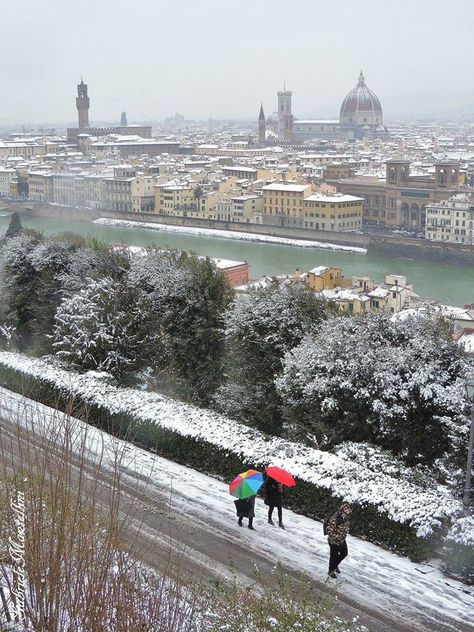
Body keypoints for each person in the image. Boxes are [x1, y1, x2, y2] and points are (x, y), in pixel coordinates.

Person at [326, 502, 352, 578]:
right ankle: (331, 571)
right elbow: (329, 530)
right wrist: (336, 537)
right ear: (342, 511)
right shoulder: (335, 518)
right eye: (345, 513)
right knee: (334, 556)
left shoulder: (345, 518)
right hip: (334, 541)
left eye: (347, 514)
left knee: (344, 553)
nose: (346, 515)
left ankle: (335, 565)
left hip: (342, 540)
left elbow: (346, 526)